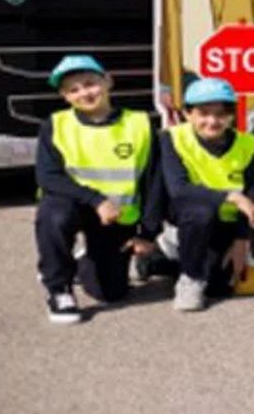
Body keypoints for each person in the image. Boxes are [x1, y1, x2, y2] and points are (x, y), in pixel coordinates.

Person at [34, 55, 162, 324]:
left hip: (117, 219)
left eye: (90, 83)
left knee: (111, 293)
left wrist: (149, 233)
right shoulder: (56, 125)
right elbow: (48, 177)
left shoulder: (139, 124)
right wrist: (96, 199)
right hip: (74, 206)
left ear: (108, 82)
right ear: (64, 96)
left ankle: (82, 262)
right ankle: (58, 288)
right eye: (74, 89)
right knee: (53, 214)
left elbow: (153, 182)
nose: (84, 93)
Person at [161, 78, 254, 312]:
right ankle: (189, 279)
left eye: (221, 114)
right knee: (201, 212)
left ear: (231, 115)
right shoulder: (172, 138)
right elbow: (178, 189)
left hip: (225, 220)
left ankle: (159, 263)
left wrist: (241, 240)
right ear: (188, 114)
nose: (212, 121)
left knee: (219, 286)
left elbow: (252, 191)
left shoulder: (246, 142)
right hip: (189, 213)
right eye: (203, 113)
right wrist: (234, 197)